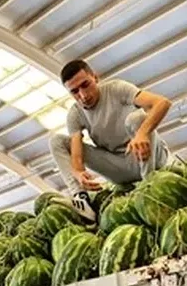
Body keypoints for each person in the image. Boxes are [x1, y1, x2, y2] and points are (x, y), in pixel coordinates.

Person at [49, 59, 173, 220]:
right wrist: (78, 173)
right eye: (74, 91)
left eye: (86, 85)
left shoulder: (117, 89)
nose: (83, 95)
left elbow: (162, 103)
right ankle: (81, 200)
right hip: (120, 167)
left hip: (151, 159)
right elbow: (77, 156)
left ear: (95, 78)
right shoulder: (75, 114)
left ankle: (149, 187)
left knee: (137, 119)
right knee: (56, 141)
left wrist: (142, 133)